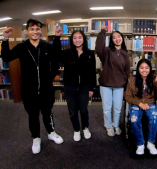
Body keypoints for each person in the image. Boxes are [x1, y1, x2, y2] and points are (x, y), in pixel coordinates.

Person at [1, 18, 63, 154]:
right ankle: (36, 137)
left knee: (48, 112)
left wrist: (57, 38)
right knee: (33, 115)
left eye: (37, 29)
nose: (35, 32)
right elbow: (6, 57)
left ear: (41, 31)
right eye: (32, 29)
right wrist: (5, 39)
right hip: (29, 91)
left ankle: (51, 132)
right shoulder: (22, 47)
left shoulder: (46, 46)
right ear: (27, 31)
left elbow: (57, 56)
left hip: (46, 89)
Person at [54, 29, 96, 141]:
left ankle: (85, 128)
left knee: (83, 109)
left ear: (83, 39)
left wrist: (92, 88)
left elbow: (92, 72)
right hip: (69, 87)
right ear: (72, 40)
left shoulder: (90, 54)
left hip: (84, 86)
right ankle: (76, 130)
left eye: (80, 37)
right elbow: (56, 54)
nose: (77, 40)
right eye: (75, 38)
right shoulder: (67, 53)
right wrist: (57, 37)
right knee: (72, 111)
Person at [96, 26, 130, 136]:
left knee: (117, 108)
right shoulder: (107, 52)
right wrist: (102, 33)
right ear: (111, 40)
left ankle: (116, 125)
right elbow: (98, 48)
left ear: (122, 38)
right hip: (106, 84)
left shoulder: (125, 53)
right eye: (114, 37)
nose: (117, 39)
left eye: (119, 36)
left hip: (119, 85)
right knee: (106, 108)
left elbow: (127, 71)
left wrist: (127, 86)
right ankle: (108, 126)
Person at [124, 59, 157, 155]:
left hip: (150, 103)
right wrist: (140, 104)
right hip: (137, 103)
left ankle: (150, 143)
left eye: (147, 68)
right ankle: (140, 144)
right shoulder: (131, 79)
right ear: (138, 69)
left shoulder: (154, 79)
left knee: (155, 117)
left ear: (150, 69)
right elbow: (127, 96)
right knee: (134, 119)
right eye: (141, 68)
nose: (144, 70)